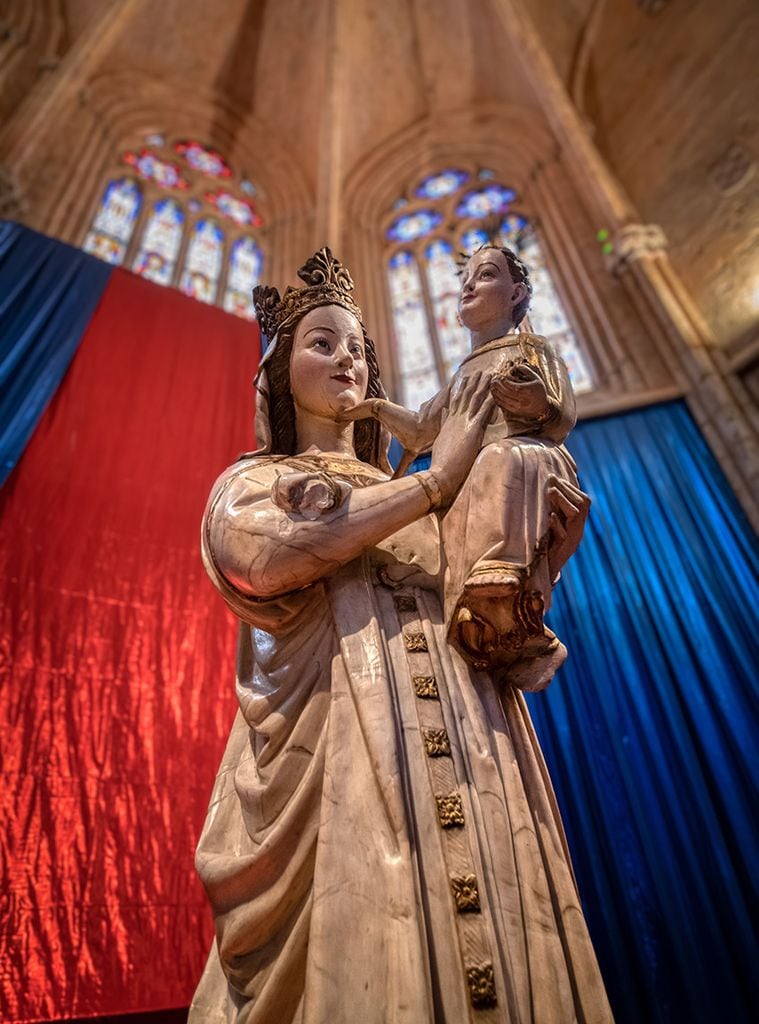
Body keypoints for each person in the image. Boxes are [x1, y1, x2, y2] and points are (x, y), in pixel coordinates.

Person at [188, 248, 611, 1024]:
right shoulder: (253, 480)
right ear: (280, 375)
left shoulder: (414, 489)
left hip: (470, 729)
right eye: (322, 343)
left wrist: (538, 545)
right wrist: (432, 483)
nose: (346, 357)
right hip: (346, 736)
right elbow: (261, 556)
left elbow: (475, 567)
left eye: (357, 347)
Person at [340, 245, 580, 687]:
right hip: (467, 487)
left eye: (486, 275)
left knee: (498, 457)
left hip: (526, 469)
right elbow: (418, 432)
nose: (469, 285)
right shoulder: (462, 372)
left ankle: (501, 575)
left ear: (515, 294)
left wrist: (535, 402)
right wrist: (373, 407)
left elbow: (562, 414)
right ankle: (473, 600)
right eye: (465, 278)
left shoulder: (531, 348)